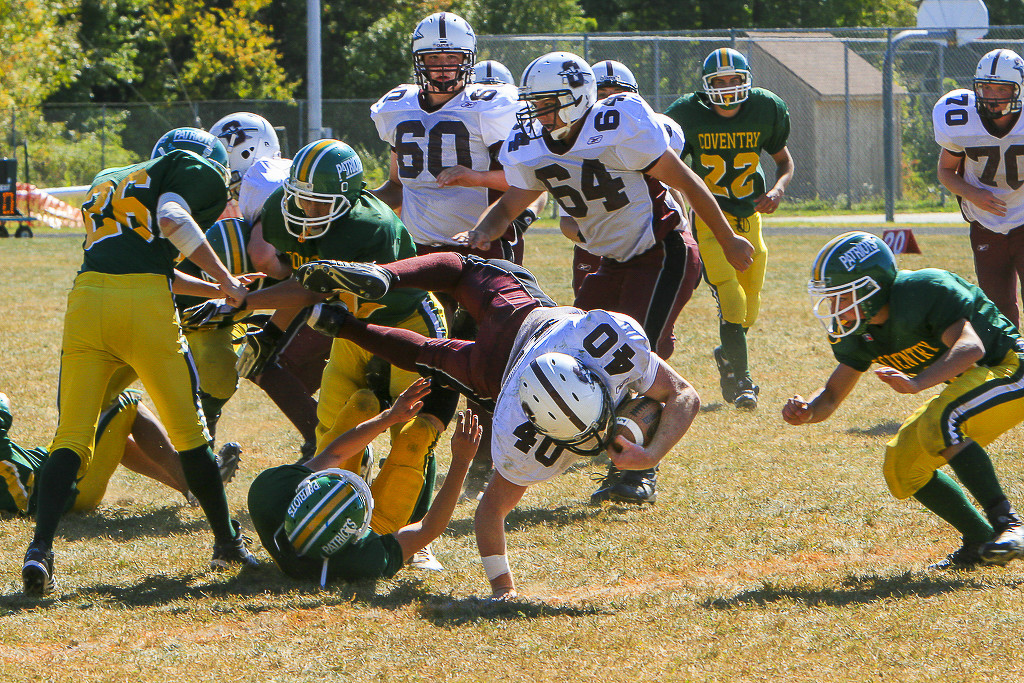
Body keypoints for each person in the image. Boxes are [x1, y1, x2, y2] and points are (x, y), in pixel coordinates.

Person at [292, 253, 701, 599]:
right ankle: (339, 324)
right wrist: (651, 454)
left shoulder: (606, 341)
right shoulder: (530, 437)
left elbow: (683, 392)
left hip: (523, 318)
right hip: (494, 376)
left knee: (460, 269)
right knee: (426, 353)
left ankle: (389, 275)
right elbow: (491, 510)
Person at [460, 51, 750, 505]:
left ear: (578, 98)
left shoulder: (619, 124)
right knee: (577, 345)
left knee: (634, 360)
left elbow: (688, 181)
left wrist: (728, 239)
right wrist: (479, 233)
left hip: (662, 251)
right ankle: (600, 438)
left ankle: (639, 472)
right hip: (610, 260)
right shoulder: (534, 143)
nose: (539, 113)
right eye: (534, 102)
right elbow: (512, 204)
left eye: (549, 102)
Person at [20, 127, 259, 597]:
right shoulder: (189, 172)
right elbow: (171, 217)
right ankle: (226, 541)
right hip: (145, 311)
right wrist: (229, 281)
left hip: (88, 303)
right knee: (191, 433)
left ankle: (40, 549)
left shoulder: (111, 177)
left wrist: (213, 288)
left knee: (70, 435)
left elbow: (144, 259)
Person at [215, 139, 456, 570]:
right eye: (299, 197)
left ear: (345, 200)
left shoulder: (371, 227)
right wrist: (270, 333)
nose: (303, 209)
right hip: (351, 328)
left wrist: (246, 303)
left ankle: (412, 538)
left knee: (414, 435)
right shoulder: (280, 210)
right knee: (334, 422)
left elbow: (311, 288)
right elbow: (301, 275)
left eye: (316, 201)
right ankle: (337, 512)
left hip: (407, 324)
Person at [783, 231, 1024, 570]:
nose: (835, 308)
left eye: (841, 296)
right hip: (975, 386)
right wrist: (807, 411)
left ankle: (1009, 524)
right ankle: (981, 540)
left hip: (1011, 369)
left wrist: (917, 382)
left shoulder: (922, 290)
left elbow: (971, 348)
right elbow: (833, 394)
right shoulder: (861, 330)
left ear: (872, 287)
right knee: (903, 465)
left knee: (943, 419)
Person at [247, 378, 482, 585]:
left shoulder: (268, 491)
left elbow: (332, 455)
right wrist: (461, 461)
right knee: (417, 436)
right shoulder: (359, 560)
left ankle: (362, 457)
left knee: (363, 402)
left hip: (317, 520)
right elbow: (428, 528)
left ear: (304, 489)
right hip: (375, 526)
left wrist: (389, 417)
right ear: (354, 534)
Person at [665, 47, 794, 412]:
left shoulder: (766, 108)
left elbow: (784, 161)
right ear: (706, 86)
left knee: (749, 307)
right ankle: (742, 381)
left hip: (750, 218)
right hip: (709, 221)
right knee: (731, 299)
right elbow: (666, 163)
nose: (726, 88)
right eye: (718, 82)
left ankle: (728, 353)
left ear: (746, 81)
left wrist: (778, 189)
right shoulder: (686, 114)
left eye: (734, 80)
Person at [369, 11, 543, 263]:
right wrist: (356, 201)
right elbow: (397, 187)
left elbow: (531, 179)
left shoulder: (491, 106)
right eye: (434, 57)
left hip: (479, 246)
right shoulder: (397, 107)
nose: (443, 66)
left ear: (468, 58)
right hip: (416, 248)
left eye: (452, 57)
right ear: (419, 60)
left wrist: (477, 178)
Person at [209, 113, 332, 460]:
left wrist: (269, 287)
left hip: (326, 288)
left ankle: (323, 442)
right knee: (286, 363)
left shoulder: (258, 179)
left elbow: (265, 259)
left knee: (260, 360)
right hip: (355, 275)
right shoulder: (291, 167)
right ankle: (330, 436)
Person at [933, 48, 1024, 329]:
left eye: (1000, 88)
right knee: (998, 305)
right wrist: (974, 194)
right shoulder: (959, 115)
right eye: (985, 87)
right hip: (985, 221)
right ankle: (1015, 363)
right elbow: (945, 171)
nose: (991, 96)